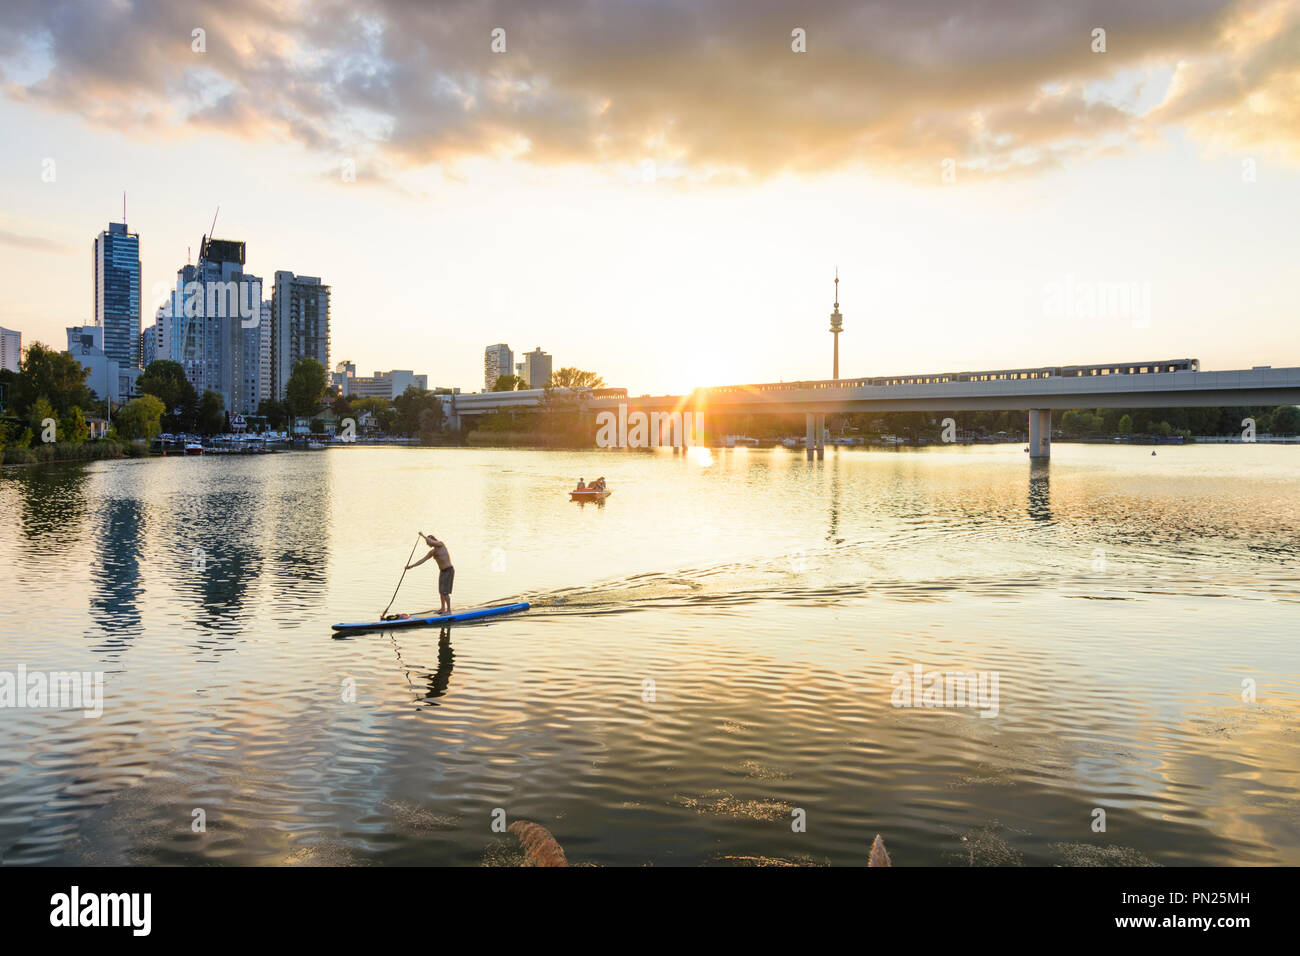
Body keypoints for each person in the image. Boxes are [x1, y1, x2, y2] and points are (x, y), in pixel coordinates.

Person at [407, 532, 454, 614]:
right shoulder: (432, 552)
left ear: (432, 540)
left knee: (445, 591)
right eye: (427, 543)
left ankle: (449, 611)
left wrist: (422, 536)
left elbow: (431, 542)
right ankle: (443, 608)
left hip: (448, 570)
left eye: (428, 542)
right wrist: (411, 566)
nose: (428, 544)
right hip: (442, 571)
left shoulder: (440, 544)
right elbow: (422, 560)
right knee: (441, 591)